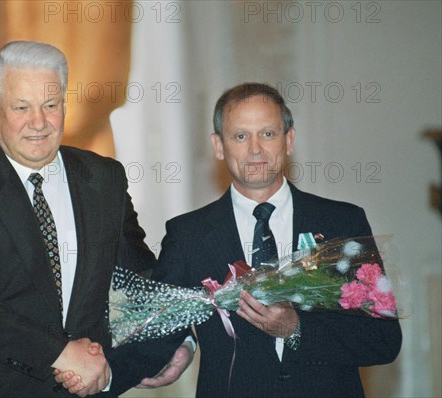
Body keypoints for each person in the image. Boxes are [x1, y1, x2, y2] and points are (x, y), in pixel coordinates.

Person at [71, 82, 402, 397]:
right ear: (219, 145)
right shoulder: (189, 234)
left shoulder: (341, 221)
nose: (255, 149)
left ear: (289, 141)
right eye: (241, 135)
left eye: (268, 134)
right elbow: (159, 332)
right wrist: (101, 376)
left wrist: (295, 328)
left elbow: (383, 339)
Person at [0, 40, 178, 397]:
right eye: (21, 107)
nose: (38, 123)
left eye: (50, 105)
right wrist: (59, 354)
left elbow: (141, 278)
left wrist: (175, 339)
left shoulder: (103, 178)